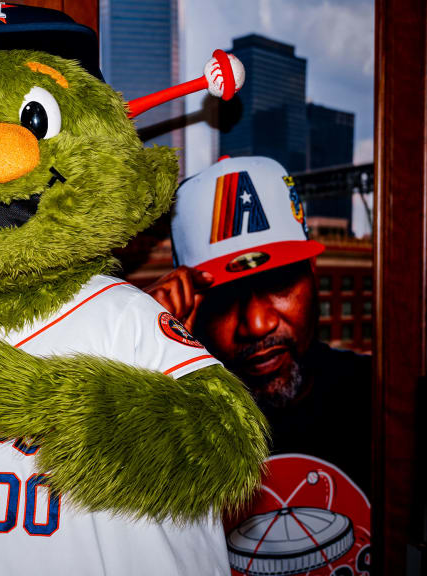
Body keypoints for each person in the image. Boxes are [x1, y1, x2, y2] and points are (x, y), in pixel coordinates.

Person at [146, 156, 372, 574]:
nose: (257, 323)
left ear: (313, 273)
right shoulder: (172, 425)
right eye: (223, 298)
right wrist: (142, 346)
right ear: (191, 309)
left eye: (277, 283)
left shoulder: (380, 398)